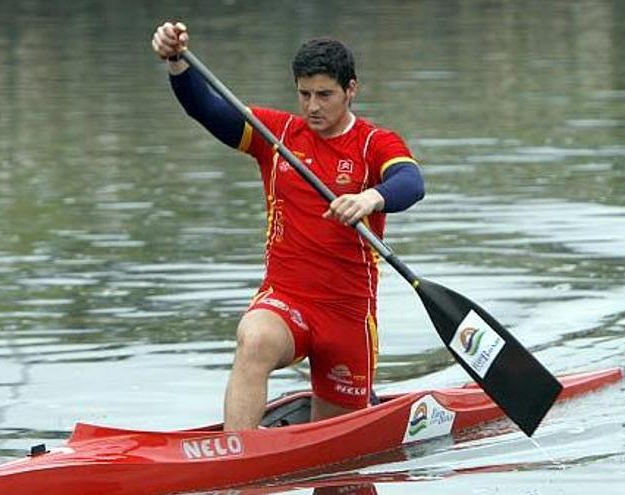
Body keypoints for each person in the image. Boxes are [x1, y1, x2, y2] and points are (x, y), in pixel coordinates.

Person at [151, 21, 425, 431]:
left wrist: (371, 197)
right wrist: (176, 62)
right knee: (255, 339)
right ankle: (235, 457)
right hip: (287, 300)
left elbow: (411, 182)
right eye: (304, 94)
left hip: (347, 315)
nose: (313, 106)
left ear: (351, 90)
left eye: (325, 95)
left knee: (339, 458)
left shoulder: (373, 143)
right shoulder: (274, 134)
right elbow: (205, 108)